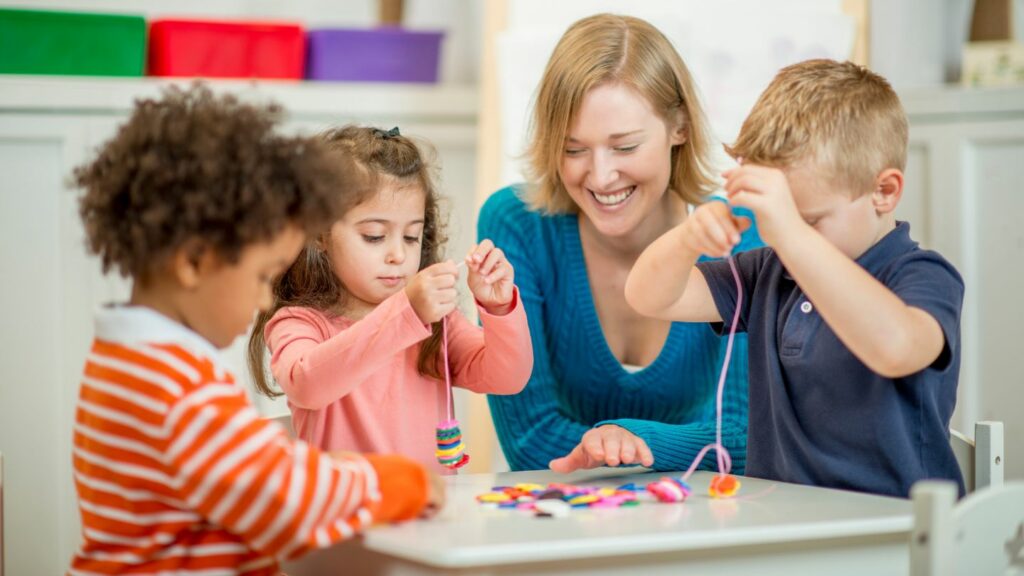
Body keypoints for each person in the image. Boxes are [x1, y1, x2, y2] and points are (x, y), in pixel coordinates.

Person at [69, 86, 442, 574]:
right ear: (195, 261)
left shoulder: (121, 362)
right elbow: (287, 496)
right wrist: (401, 483)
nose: (266, 298)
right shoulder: (176, 391)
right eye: (263, 276)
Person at [625, 59, 965, 498]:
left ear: (884, 192)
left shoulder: (923, 275)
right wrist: (688, 238)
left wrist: (789, 231)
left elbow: (895, 348)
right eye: (780, 221)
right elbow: (648, 297)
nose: (786, 238)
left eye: (808, 220)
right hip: (788, 523)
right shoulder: (771, 270)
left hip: (900, 535)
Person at [478, 13, 761, 473]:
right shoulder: (516, 224)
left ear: (680, 128)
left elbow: (748, 438)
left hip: (703, 516)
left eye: (625, 147)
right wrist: (656, 448)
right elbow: (530, 439)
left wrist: (628, 442)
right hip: (559, 517)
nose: (601, 175)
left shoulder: (740, 232)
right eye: (573, 149)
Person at [248, 125, 532, 474]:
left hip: (430, 514)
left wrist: (499, 307)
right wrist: (405, 313)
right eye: (374, 236)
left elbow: (509, 378)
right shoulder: (300, 322)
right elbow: (307, 384)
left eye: (411, 237)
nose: (398, 254)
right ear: (320, 234)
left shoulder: (435, 322)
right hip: (349, 517)